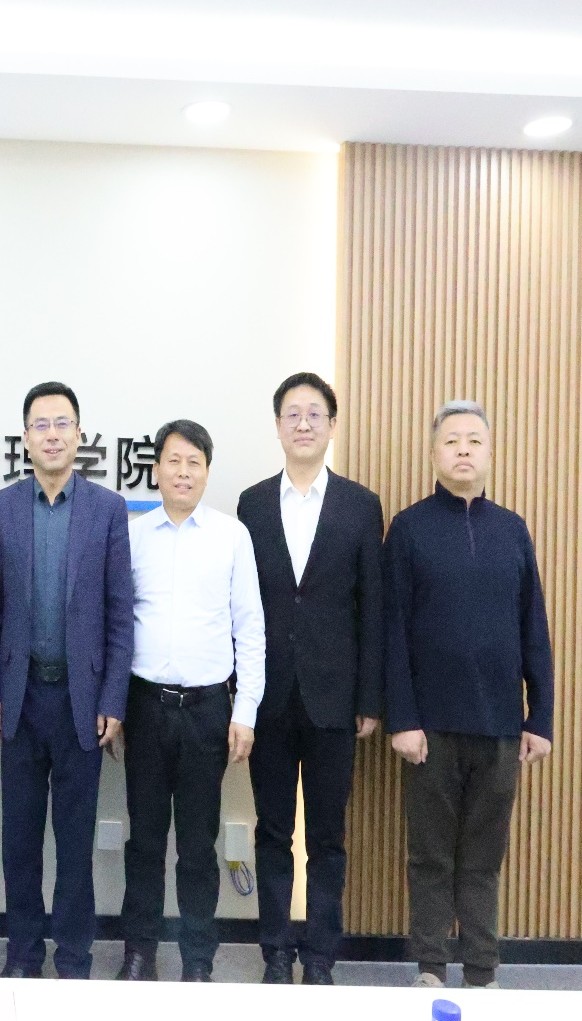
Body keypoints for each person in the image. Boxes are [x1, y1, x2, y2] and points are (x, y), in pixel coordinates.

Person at [385, 400, 554, 990]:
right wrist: (402, 719)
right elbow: (392, 631)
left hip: (501, 725)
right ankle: (431, 967)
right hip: (429, 727)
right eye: (452, 440)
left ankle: (482, 970)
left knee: (484, 858)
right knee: (430, 856)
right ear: (434, 453)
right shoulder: (409, 528)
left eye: (474, 440)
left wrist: (541, 717)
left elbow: (534, 629)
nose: (463, 449)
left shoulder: (512, 530)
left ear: (489, 453)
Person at [0, 381, 134, 980]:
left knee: (75, 843)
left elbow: (120, 615)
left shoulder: (107, 509)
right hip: (20, 700)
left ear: (79, 434)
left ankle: (74, 958)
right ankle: (23, 955)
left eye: (62, 423)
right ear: (25, 438)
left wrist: (113, 698)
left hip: (82, 702)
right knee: (19, 841)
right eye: (40, 425)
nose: (52, 435)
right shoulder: (3, 507)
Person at [237, 373, 384, 986]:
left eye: (314, 413)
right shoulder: (251, 504)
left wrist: (370, 698)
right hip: (269, 697)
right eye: (292, 414)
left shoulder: (360, 506)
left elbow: (373, 607)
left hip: (334, 699)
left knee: (327, 836)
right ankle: (275, 952)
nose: (303, 423)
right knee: (272, 831)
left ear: (331, 425)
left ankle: (321, 957)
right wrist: (240, 698)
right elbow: (241, 607)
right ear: (277, 426)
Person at [117, 418, 266, 983]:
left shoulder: (231, 537)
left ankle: (198, 959)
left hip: (208, 711)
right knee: (144, 840)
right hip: (144, 707)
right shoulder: (132, 537)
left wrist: (245, 712)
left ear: (207, 471)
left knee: (199, 844)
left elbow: (250, 629)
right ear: (156, 469)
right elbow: (116, 628)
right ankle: (139, 953)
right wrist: (114, 709)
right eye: (173, 461)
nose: (183, 472)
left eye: (194, 463)